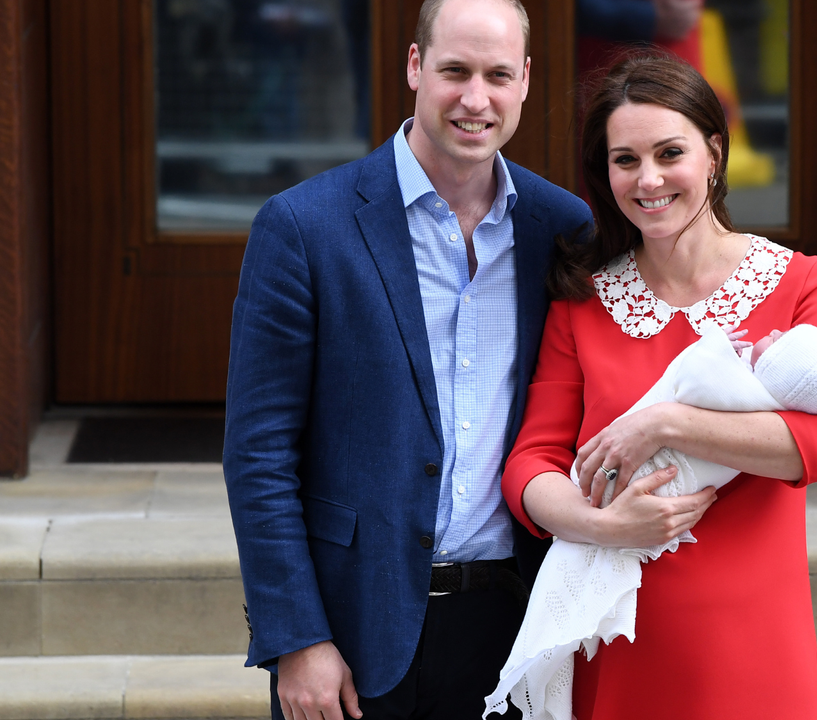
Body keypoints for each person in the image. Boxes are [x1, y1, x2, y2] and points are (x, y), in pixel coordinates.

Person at [222, 0, 592, 718]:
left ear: (525, 81)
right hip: (355, 637)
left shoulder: (563, 228)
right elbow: (259, 454)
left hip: (518, 628)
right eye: (454, 70)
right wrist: (296, 637)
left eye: (496, 75)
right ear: (416, 67)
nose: (475, 99)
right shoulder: (303, 227)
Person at [500, 53, 817, 718]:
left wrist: (668, 424)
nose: (650, 178)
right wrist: (598, 524)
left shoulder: (800, 284)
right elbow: (530, 464)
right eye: (625, 160)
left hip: (753, 645)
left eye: (670, 152)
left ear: (714, 154)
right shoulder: (582, 301)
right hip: (617, 642)